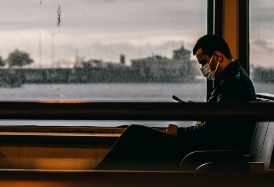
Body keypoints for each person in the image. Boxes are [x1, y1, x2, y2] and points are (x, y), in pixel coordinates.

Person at [96, 34, 256, 170]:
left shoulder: (232, 84)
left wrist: (180, 132)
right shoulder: (233, 79)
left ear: (218, 56)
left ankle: (94, 181)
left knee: (135, 135)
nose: (203, 69)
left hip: (208, 153)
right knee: (137, 139)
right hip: (207, 148)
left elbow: (216, 131)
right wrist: (202, 111)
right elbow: (221, 120)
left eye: (204, 63)